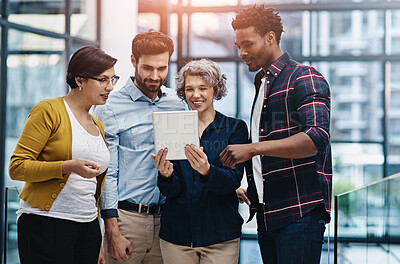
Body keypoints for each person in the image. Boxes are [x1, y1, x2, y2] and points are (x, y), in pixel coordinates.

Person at [220, 5, 332, 264]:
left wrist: (252, 149)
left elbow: (316, 138)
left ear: (270, 38)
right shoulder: (262, 83)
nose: (242, 53)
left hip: (299, 213)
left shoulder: (304, 77)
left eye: (247, 44)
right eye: (238, 46)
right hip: (267, 213)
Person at [9, 46, 118, 264]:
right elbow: (17, 167)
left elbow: (92, 188)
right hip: (46, 224)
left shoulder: (97, 124)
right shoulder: (49, 110)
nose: (110, 87)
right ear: (80, 80)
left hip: (87, 227)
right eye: (103, 80)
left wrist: (96, 240)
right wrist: (67, 166)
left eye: (113, 79)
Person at [92, 30, 186, 264]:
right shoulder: (110, 105)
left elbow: (186, 158)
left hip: (169, 221)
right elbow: (107, 172)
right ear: (133, 61)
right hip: (126, 220)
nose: (155, 76)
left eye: (162, 68)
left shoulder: (178, 103)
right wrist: (112, 230)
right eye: (147, 68)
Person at [152, 58, 248, 264]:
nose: (196, 95)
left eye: (203, 88)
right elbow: (171, 191)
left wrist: (207, 170)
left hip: (220, 236)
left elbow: (232, 182)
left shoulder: (235, 128)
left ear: (215, 90)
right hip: (176, 237)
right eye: (189, 89)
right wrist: (166, 175)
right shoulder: (172, 127)